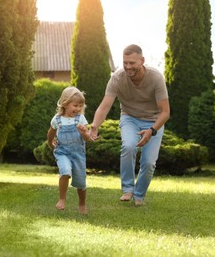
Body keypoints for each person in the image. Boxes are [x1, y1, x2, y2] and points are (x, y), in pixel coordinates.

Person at [90, 44, 170, 206]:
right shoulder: (117, 78)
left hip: (154, 121)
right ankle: (127, 189)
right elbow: (105, 105)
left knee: (148, 162)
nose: (128, 67)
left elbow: (165, 112)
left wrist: (152, 130)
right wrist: (95, 126)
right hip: (130, 118)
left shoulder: (155, 78)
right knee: (128, 146)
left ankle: (139, 195)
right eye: (125, 62)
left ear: (142, 60)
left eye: (132, 63)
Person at [47, 86, 91, 214]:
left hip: (78, 154)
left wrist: (84, 133)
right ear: (65, 104)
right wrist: (50, 143)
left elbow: (87, 138)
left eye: (80, 106)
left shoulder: (81, 119)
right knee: (65, 172)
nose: (78, 109)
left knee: (81, 183)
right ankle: (62, 199)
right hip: (62, 152)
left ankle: (82, 204)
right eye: (75, 105)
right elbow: (51, 133)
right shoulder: (57, 119)